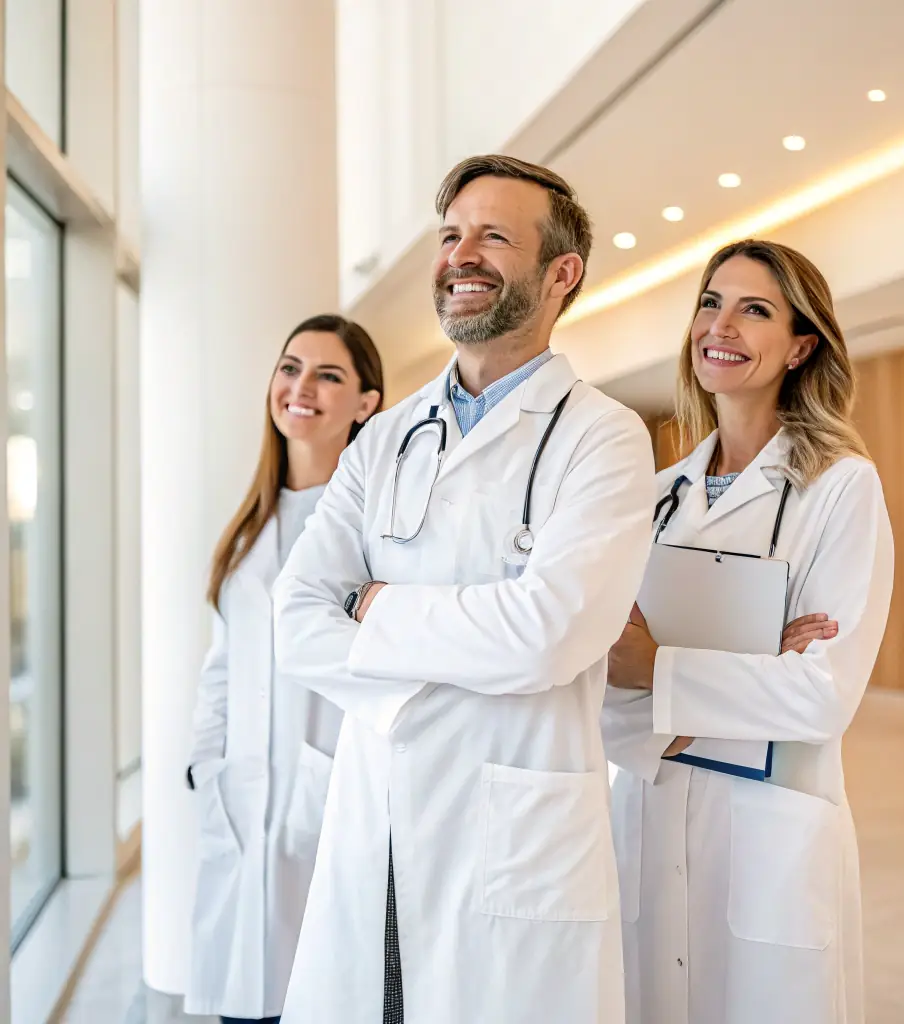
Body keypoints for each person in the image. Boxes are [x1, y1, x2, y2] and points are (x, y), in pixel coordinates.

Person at [273, 155, 655, 1024]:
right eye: (451, 235)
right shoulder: (384, 439)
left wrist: (378, 609)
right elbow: (295, 621)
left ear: (562, 274)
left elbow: (549, 635)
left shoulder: (605, 439)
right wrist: (465, 655)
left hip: (511, 846)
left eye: (493, 236)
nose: (461, 255)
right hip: (377, 831)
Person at [602, 239, 894, 1024]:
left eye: (754, 308)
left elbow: (819, 698)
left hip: (774, 836)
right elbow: (597, 684)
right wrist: (752, 665)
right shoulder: (655, 496)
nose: (720, 324)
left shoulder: (840, 489)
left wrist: (657, 670)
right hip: (645, 822)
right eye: (710, 301)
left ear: (803, 345)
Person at [184, 314, 384, 1024]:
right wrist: (204, 762)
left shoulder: (374, 530)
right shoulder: (251, 524)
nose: (301, 387)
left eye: (329, 375)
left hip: (329, 795)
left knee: (322, 993)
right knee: (245, 1000)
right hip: (240, 794)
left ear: (366, 403)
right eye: (290, 367)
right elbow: (223, 663)